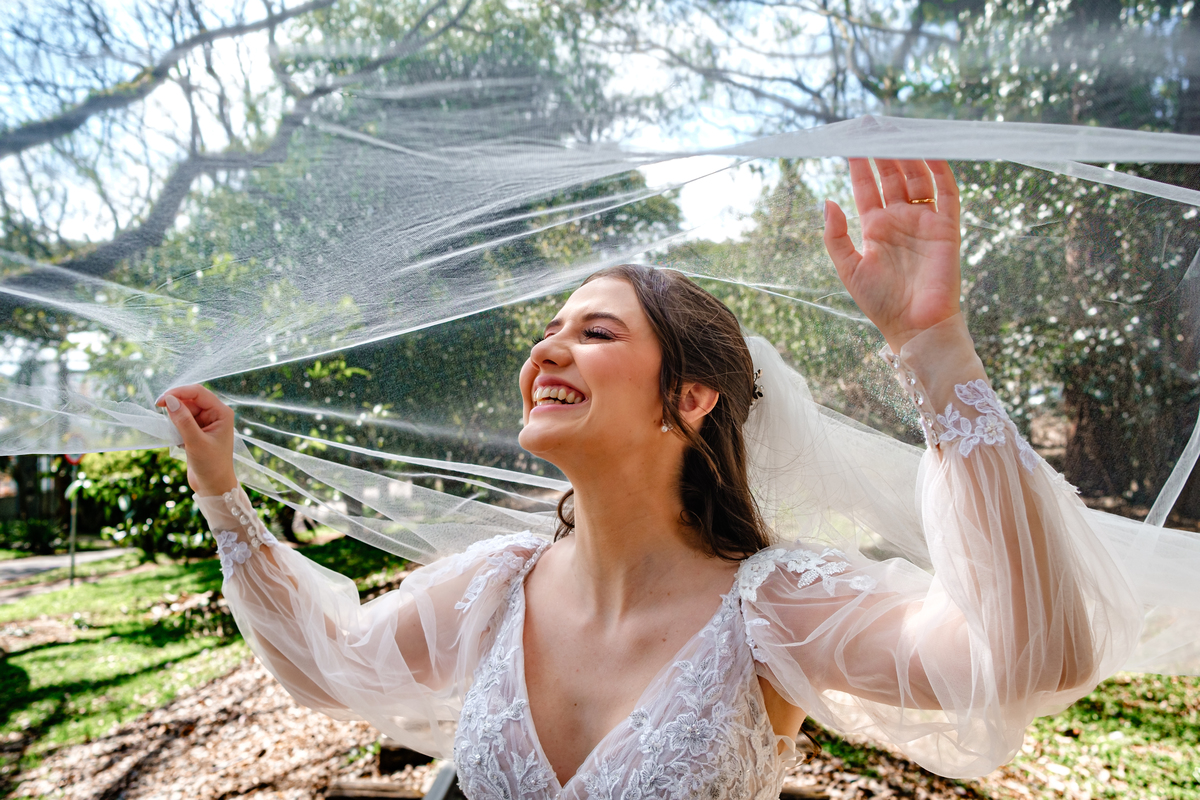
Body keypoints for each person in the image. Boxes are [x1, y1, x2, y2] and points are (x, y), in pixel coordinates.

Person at [157, 159, 1139, 799]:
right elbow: (325, 662)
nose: (549, 349)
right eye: (549, 330)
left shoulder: (773, 608)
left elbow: (1031, 654)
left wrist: (934, 345)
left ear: (691, 397)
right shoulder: (491, 585)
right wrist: (221, 490)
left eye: (595, 330)